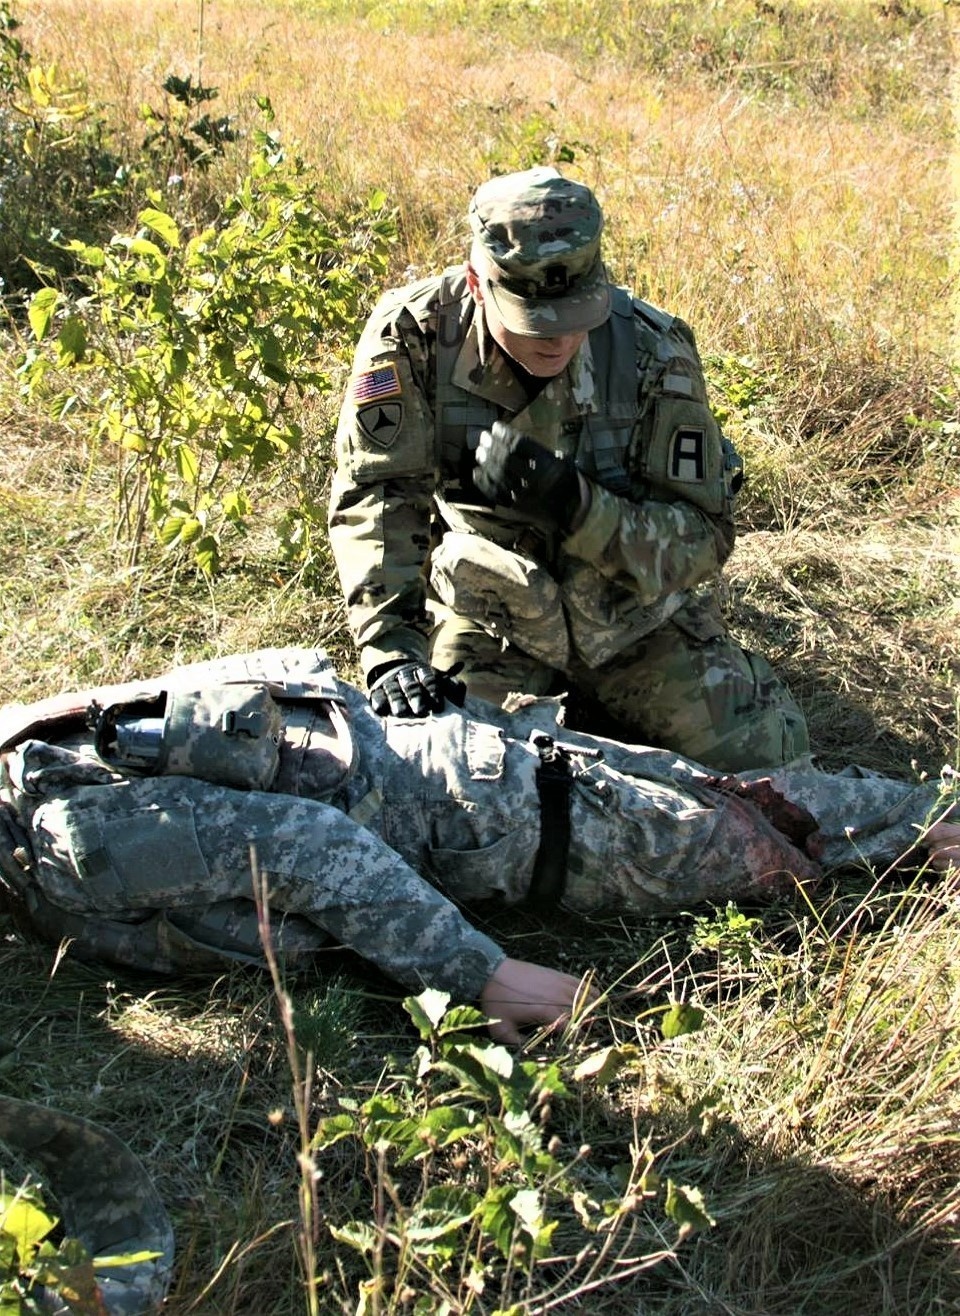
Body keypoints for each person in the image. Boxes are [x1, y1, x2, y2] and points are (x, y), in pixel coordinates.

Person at [1, 648, 956, 1045]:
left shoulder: (59, 838)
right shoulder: (21, 750)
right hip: (460, 765)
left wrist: (486, 977)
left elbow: (300, 847)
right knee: (746, 805)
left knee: (766, 830)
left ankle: (934, 826)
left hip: (493, 817)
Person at [328, 166, 809, 772]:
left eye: (576, 316)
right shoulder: (414, 336)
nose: (557, 341)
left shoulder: (652, 348)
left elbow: (703, 537)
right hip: (495, 616)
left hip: (635, 619)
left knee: (772, 771)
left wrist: (579, 509)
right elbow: (377, 496)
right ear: (478, 285)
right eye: (534, 322)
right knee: (448, 779)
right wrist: (391, 649)